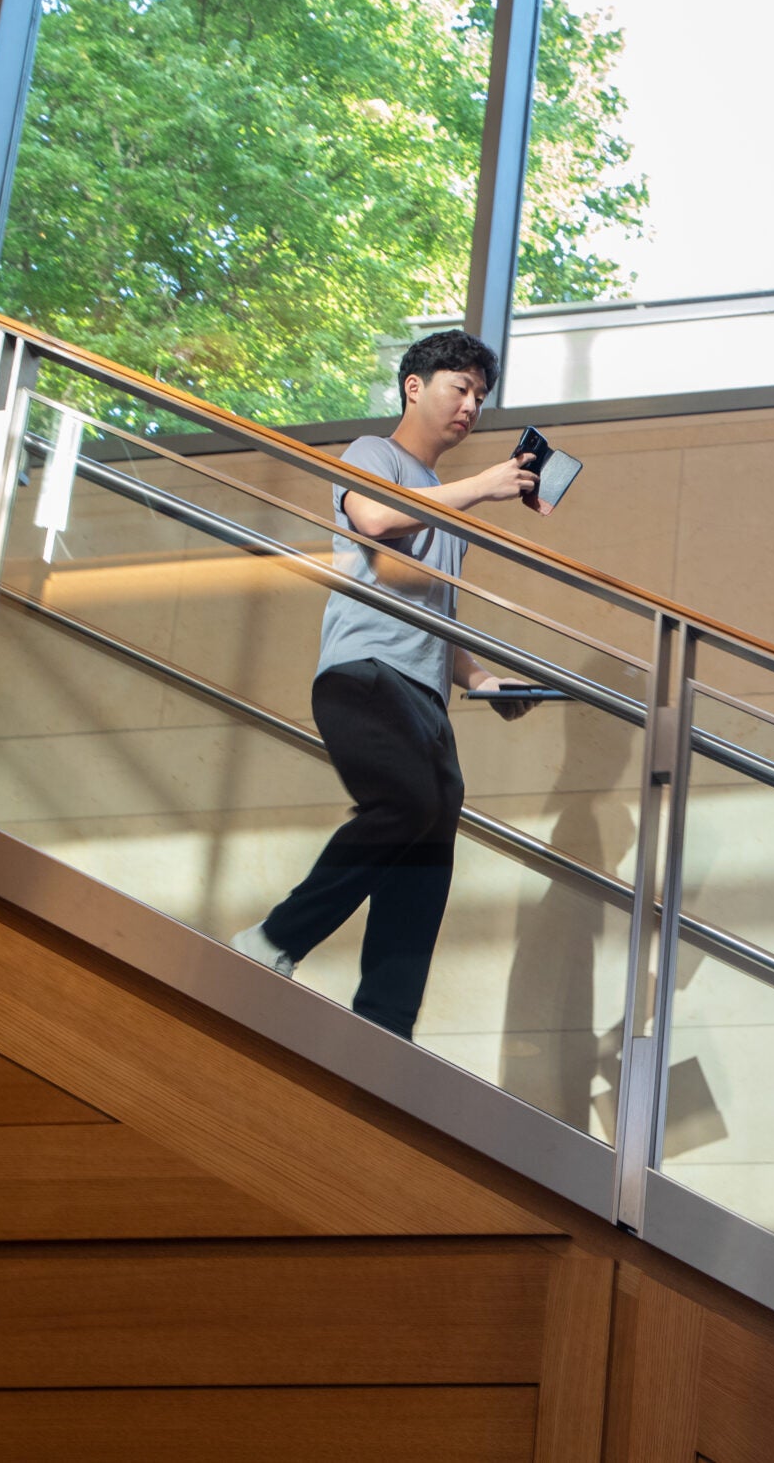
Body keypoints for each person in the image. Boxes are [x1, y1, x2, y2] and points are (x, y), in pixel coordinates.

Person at [232, 328, 547, 1037]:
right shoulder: (373, 455)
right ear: (414, 386)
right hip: (364, 675)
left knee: (431, 842)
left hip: (426, 697)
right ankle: (275, 938)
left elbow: (438, 618)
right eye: (459, 388)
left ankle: (385, 1022)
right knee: (408, 802)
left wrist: (484, 679)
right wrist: (485, 485)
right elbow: (374, 519)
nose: (471, 406)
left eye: (480, 396)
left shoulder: (446, 499)